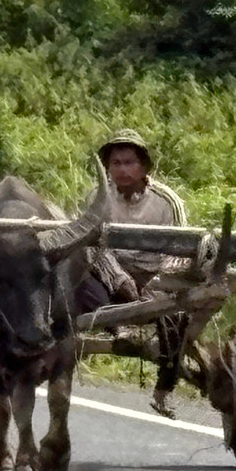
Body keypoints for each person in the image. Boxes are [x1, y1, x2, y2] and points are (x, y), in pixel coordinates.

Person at [76, 128, 189, 418]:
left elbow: (181, 247)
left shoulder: (167, 201)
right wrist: (119, 279)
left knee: (177, 311)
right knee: (78, 277)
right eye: (116, 163)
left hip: (156, 278)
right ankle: (119, 328)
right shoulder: (96, 198)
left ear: (144, 167)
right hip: (110, 278)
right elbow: (89, 245)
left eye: (129, 162)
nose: (123, 170)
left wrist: (158, 284)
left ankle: (164, 389)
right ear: (107, 168)